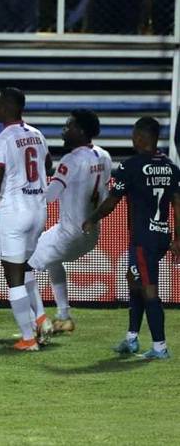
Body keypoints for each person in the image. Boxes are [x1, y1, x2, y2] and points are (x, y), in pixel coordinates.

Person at [83, 117, 180, 360]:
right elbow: (178, 205)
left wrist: (92, 218)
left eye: (134, 134)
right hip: (160, 236)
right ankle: (132, 339)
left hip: (142, 239)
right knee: (134, 281)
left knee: (148, 291)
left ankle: (160, 348)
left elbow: (112, 201)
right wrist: (177, 238)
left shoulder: (131, 166)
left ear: (140, 137)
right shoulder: (171, 167)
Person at [0, 87, 51, 351]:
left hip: (14, 211)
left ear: (11, 108)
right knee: (25, 269)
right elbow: (47, 166)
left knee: (13, 275)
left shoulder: (0, 141)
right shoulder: (37, 135)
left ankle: (28, 338)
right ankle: (40, 319)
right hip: (38, 209)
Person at [28, 110, 111, 333]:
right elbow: (105, 196)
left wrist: (29, 184)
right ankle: (64, 317)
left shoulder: (71, 160)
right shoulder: (104, 156)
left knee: (21, 266)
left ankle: (38, 324)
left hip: (68, 234)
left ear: (81, 131)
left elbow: (50, 195)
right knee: (53, 262)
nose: (64, 130)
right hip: (91, 233)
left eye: (69, 126)